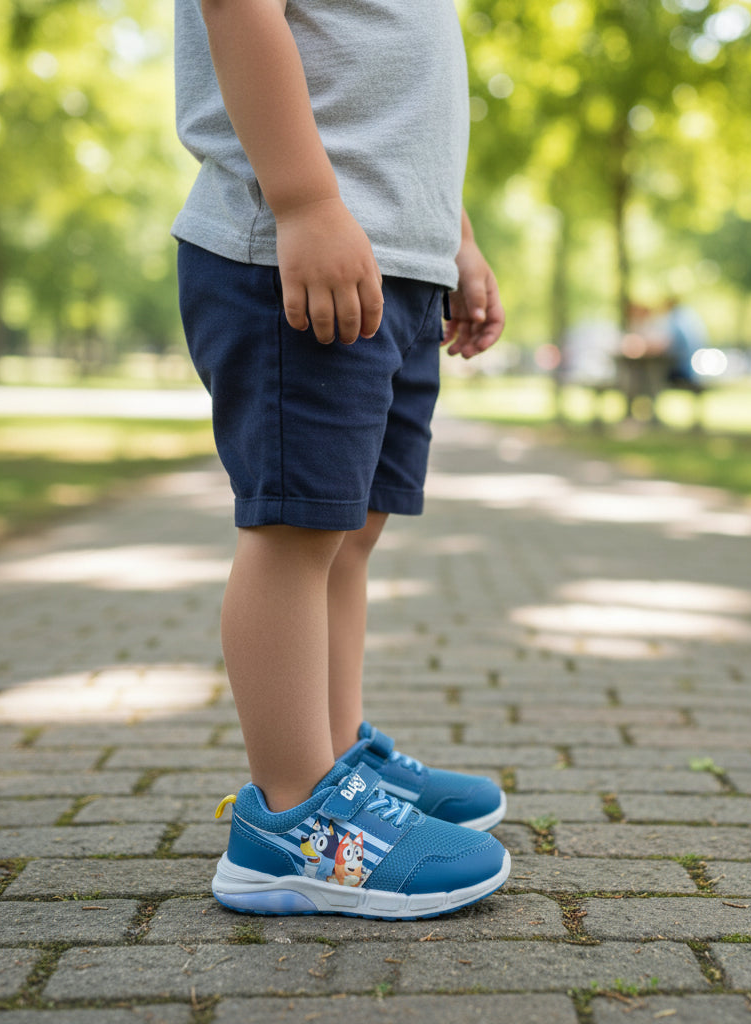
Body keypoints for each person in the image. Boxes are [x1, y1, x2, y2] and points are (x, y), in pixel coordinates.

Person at [172, 0, 509, 919]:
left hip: (398, 257)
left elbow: (410, 99)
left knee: (350, 531)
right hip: (301, 253)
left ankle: (335, 757)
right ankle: (293, 821)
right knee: (295, 529)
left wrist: (458, 240)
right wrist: (306, 202)